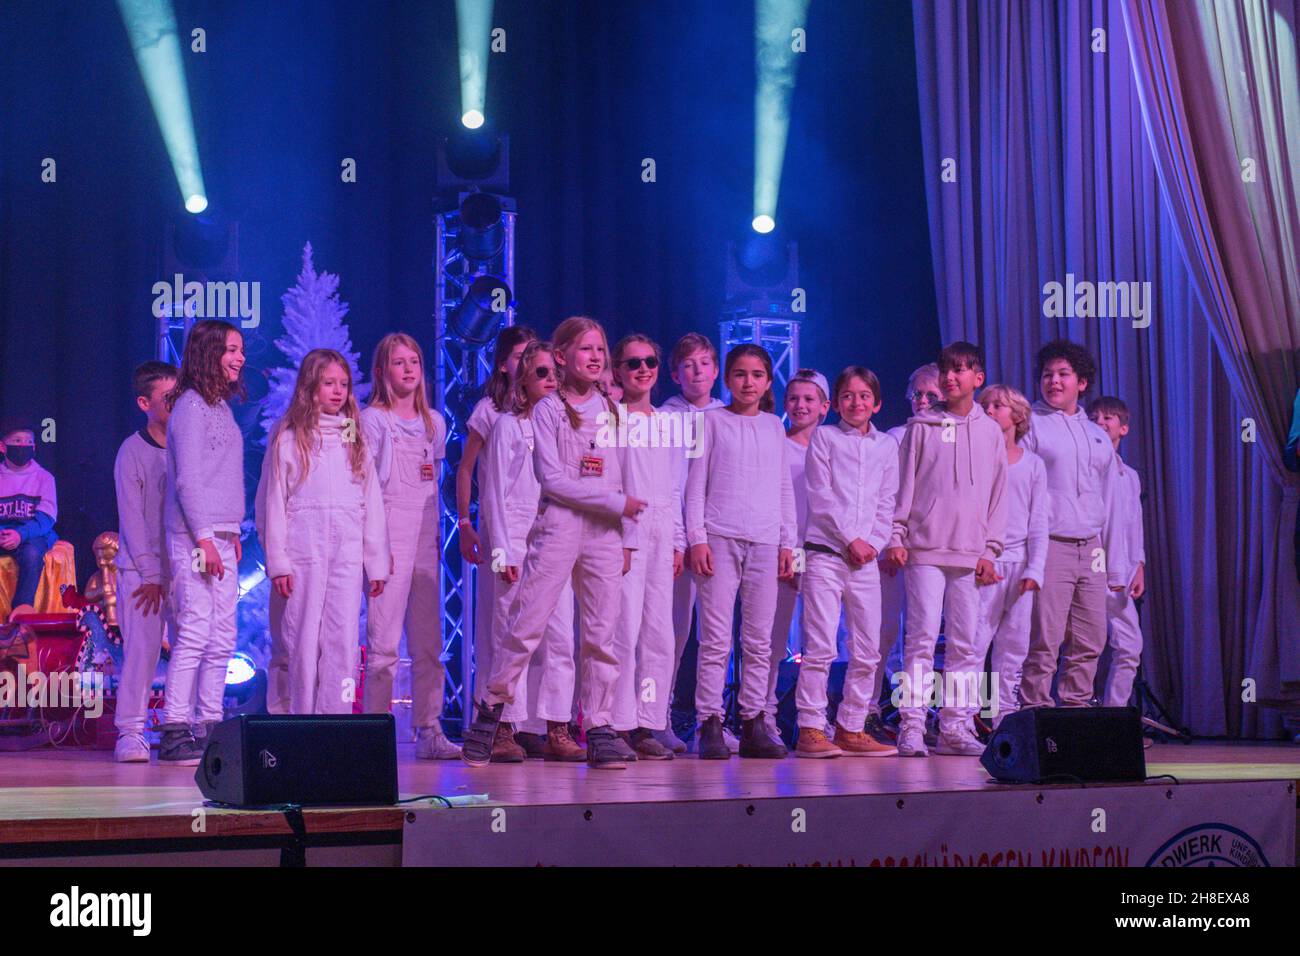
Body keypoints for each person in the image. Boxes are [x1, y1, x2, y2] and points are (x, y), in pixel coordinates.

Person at [462, 316, 645, 770]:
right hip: (560, 525)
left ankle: (599, 725)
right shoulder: (546, 411)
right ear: (561, 357)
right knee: (526, 625)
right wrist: (614, 501)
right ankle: (492, 710)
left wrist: (628, 537)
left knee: (602, 633)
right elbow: (555, 482)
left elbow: (628, 476)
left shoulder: (613, 413)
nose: (597, 357)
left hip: (603, 530)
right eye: (586, 349)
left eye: (601, 349)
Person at [885, 341, 1007, 757]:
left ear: (978, 378)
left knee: (964, 644)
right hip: (924, 550)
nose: (950, 377)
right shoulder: (920, 427)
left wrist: (990, 550)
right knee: (919, 639)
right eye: (945, 370)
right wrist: (897, 536)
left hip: (969, 553)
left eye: (960, 370)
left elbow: (998, 497)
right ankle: (913, 725)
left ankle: (955, 725)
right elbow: (904, 487)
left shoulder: (991, 432)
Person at [257, 349, 388, 714]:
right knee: (301, 638)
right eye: (328, 383)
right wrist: (278, 561)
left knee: (343, 638)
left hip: (346, 551)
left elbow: (370, 501)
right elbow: (273, 502)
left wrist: (376, 562)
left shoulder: (354, 438)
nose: (337, 391)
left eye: (343, 385)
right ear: (310, 387)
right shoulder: (290, 436)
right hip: (304, 549)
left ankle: (336, 720)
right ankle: (298, 718)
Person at [687, 344, 795, 760]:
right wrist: (697, 536)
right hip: (719, 536)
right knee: (715, 639)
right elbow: (695, 483)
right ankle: (709, 721)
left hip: (766, 540)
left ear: (768, 382)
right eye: (739, 374)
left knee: (759, 640)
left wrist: (788, 542)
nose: (748, 382)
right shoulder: (710, 422)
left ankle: (753, 721)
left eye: (756, 375)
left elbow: (784, 487)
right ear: (727, 379)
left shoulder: (774, 426)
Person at [480, 340, 583, 761]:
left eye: (554, 373)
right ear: (522, 377)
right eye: (540, 372)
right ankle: (505, 725)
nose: (549, 380)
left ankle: (555, 724)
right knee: (512, 636)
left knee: (559, 637)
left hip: (558, 540)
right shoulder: (508, 426)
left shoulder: (569, 427)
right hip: (519, 540)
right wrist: (504, 550)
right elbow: (494, 495)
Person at [359, 333, 459, 758]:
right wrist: (377, 551)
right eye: (398, 362)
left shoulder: (434, 422)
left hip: (423, 541)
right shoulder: (373, 420)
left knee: (428, 645)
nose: (408, 369)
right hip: (389, 538)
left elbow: (431, 484)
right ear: (382, 372)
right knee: (382, 646)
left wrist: (435, 539)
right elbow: (368, 487)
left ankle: (429, 728)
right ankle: (373, 735)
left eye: (414, 361)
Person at [793, 366, 898, 758]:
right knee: (820, 645)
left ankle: (851, 726)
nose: (857, 402)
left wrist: (872, 541)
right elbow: (819, 494)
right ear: (835, 402)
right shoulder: (825, 437)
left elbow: (887, 501)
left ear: (877, 402)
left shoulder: (887, 446)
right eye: (849, 396)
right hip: (826, 553)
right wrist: (848, 538)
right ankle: (810, 727)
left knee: (868, 647)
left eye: (864, 396)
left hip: (865, 558)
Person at [158, 319, 247, 765]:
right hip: (197, 536)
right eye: (231, 349)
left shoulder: (221, 408)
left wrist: (231, 533)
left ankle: (210, 725)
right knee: (194, 630)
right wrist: (207, 539)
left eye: (240, 350)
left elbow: (219, 478)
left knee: (222, 636)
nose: (240, 358)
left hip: (221, 534)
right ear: (209, 353)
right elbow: (189, 482)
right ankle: (175, 729)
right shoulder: (191, 406)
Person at [1018, 340, 1124, 711]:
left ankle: (1076, 711)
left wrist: (1117, 564)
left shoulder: (1096, 434)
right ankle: (1035, 713)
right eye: (1047, 375)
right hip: (1050, 543)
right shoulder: (1030, 424)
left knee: (1092, 639)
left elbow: (1111, 503)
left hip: (1091, 546)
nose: (1054, 381)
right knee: (1045, 638)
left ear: (1082, 382)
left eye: (1063, 374)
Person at [455, 325, 541, 758]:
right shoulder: (490, 410)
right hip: (499, 526)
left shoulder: (547, 409)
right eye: (519, 356)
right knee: (500, 624)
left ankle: (533, 723)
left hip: (541, 529)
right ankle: (498, 723)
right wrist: (466, 524)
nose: (525, 364)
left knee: (538, 627)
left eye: (533, 356)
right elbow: (468, 468)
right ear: (504, 362)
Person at [609, 334, 684, 760]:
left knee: (659, 633)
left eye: (650, 362)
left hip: (661, 531)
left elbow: (675, 486)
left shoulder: (668, 422)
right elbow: (608, 483)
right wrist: (617, 538)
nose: (643, 369)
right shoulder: (611, 420)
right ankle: (616, 722)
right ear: (618, 370)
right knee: (623, 631)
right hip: (626, 533)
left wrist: (676, 541)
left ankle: (647, 722)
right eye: (633, 363)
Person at [660, 332, 728, 753]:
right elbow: (670, 485)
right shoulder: (666, 417)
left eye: (704, 363)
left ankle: (713, 720)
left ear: (716, 370)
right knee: (673, 633)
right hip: (678, 539)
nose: (698, 371)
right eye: (688, 365)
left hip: (718, 537)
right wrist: (678, 539)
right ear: (675, 374)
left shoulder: (727, 415)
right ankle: (658, 717)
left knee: (718, 636)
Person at [868, 363, 942, 742]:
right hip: (891, 549)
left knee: (925, 636)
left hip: (933, 550)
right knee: (881, 632)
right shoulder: (895, 437)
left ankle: (923, 715)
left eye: (932, 395)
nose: (924, 402)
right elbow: (882, 495)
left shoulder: (954, 436)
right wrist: (887, 542)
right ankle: (867, 711)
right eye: (918, 395)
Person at [111, 361, 178, 762]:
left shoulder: (189, 446)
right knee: (143, 650)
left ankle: (180, 727)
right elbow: (132, 520)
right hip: (142, 570)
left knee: (190, 648)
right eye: (167, 397)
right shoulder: (132, 452)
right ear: (144, 402)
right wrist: (151, 573)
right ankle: (130, 732)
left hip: (184, 566)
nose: (176, 402)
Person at [973, 384, 1047, 729]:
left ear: (1017, 416)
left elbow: (1038, 522)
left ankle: (1005, 717)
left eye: (997, 406)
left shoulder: (1033, 465)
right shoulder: (974, 457)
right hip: (983, 564)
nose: (988, 410)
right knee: (971, 645)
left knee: (1012, 649)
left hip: (1019, 566)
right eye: (984, 404)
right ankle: (962, 718)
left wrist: (1035, 569)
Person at [764, 368, 830, 743]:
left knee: (820, 641)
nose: (800, 406)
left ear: (824, 406)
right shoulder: (778, 445)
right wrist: (784, 548)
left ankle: (816, 720)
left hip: (826, 552)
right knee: (774, 637)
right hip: (789, 549)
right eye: (794, 398)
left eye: (809, 399)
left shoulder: (833, 445)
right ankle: (765, 715)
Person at [1088, 396, 1146, 708]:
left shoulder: (1130, 476)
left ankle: (1114, 715)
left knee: (1130, 645)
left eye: (1107, 417)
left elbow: (1133, 523)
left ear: (1123, 428)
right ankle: (1075, 712)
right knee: (1086, 646)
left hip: (1121, 572)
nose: (1100, 421)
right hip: (1090, 568)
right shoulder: (1085, 468)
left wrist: (1139, 565)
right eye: (1094, 416)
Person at [0, 420, 57, 617]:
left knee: (32, 554)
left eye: (28, 441)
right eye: (17, 440)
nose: (23, 445)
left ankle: (21, 612)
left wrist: (20, 534)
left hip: (33, 534)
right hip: (4, 532)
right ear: (2, 446)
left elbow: (47, 517)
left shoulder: (44, 478)